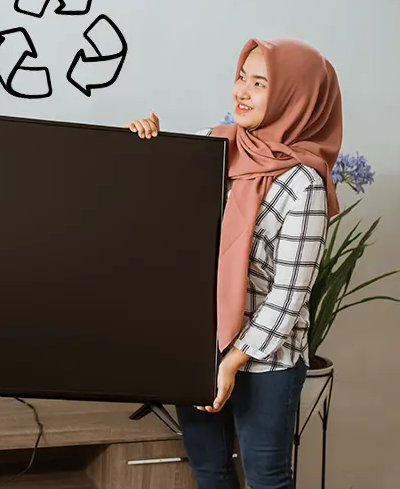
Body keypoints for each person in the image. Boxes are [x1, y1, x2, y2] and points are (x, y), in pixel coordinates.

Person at [125, 37, 342, 489]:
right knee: (209, 470)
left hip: (268, 359)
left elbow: (288, 296)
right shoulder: (214, 146)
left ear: (294, 97)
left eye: (260, 83)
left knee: (267, 479)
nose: (241, 91)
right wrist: (147, 150)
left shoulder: (305, 184)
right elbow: (163, 224)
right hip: (200, 345)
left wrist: (232, 361)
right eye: (241, 77)